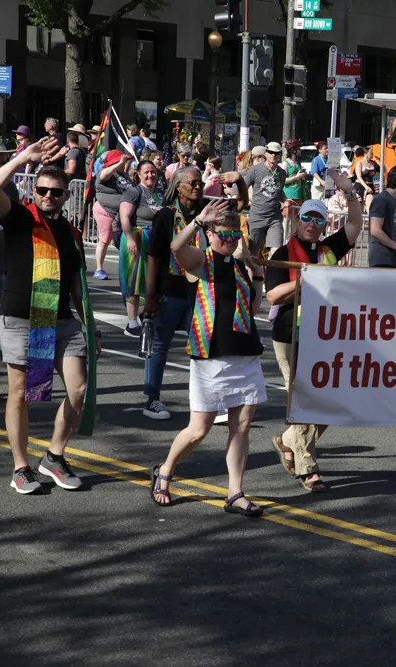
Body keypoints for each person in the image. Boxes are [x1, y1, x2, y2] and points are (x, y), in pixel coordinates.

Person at [0, 137, 101, 494]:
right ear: (33, 190)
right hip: (20, 317)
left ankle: (54, 456)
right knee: (19, 394)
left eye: (56, 192)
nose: (48, 196)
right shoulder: (20, 217)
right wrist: (23, 157)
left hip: (62, 319)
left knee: (79, 389)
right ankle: (21, 467)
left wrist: (91, 328)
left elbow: (77, 288)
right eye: (42, 190)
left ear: (67, 195)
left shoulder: (70, 233)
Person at [150, 203, 267, 516]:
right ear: (210, 235)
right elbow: (176, 247)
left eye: (233, 235)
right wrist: (199, 221)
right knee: (199, 429)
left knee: (242, 427)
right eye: (222, 234)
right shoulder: (202, 261)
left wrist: (255, 272)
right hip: (211, 356)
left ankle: (235, 492)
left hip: (244, 353)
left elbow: (253, 309)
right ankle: (165, 470)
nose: (228, 240)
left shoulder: (238, 265)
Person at [265, 175, 363, 492]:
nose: (311, 223)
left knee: (333, 403)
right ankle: (308, 468)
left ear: (324, 225)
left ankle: (287, 440)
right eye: (307, 217)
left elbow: (356, 225)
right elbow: (272, 296)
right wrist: (304, 278)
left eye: (318, 219)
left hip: (324, 337)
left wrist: (349, 192)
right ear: (298, 220)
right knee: (304, 402)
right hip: (290, 335)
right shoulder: (282, 253)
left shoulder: (328, 249)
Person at [142, 167, 208, 420]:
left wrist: (240, 183)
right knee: (159, 346)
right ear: (178, 186)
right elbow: (154, 257)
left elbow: (241, 205)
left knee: (202, 347)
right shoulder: (165, 216)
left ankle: (205, 401)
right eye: (192, 182)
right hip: (169, 291)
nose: (198, 186)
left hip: (199, 292)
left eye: (200, 183)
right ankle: (152, 399)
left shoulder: (205, 213)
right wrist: (150, 297)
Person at [118, 159, 164, 337]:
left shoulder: (158, 194)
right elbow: (124, 217)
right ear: (138, 174)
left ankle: (146, 316)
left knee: (152, 280)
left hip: (154, 239)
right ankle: (131, 324)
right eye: (146, 172)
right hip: (137, 238)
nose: (150, 175)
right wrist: (130, 238)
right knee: (134, 281)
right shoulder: (133, 192)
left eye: (153, 172)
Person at [217, 142, 286, 256]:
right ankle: (254, 268)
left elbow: (279, 190)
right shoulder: (255, 170)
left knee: (276, 251)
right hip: (257, 217)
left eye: (276, 153)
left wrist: (286, 200)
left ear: (279, 155)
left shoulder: (282, 173)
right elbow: (242, 187)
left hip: (275, 217)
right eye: (271, 152)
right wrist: (236, 201)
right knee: (253, 254)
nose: (273, 155)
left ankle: (271, 268)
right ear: (266, 153)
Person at [92, 150, 135, 280]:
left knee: (124, 241)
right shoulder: (104, 172)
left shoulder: (123, 174)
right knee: (104, 240)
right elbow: (103, 175)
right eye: (123, 161)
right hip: (105, 211)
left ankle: (129, 269)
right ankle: (99, 269)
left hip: (121, 215)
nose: (125, 163)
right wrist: (118, 164)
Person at [281, 140, 307, 240]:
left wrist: (302, 176)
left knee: (296, 221)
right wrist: (296, 177)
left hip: (299, 196)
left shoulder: (298, 163)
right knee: (287, 221)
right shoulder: (285, 163)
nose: (300, 151)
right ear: (293, 150)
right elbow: (282, 180)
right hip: (288, 196)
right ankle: (285, 243)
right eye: (299, 149)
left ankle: (293, 242)